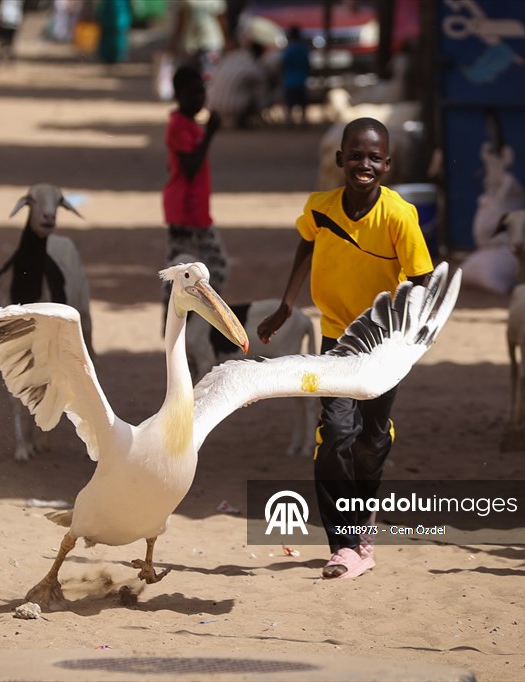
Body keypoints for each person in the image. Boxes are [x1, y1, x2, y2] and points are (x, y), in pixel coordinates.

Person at [256, 117, 433, 580]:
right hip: (336, 338)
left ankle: (365, 517)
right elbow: (305, 246)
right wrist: (286, 307)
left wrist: (408, 334)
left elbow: (422, 280)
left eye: (375, 157)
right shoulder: (321, 208)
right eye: (355, 155)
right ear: (339, 160)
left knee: (370, 442)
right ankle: (346, 545)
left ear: (388, 164)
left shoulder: (398, 216)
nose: (364, 164)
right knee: (335, 432)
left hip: (384, 344)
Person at [161, 64, 228, 317]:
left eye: (202, 93)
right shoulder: (179, 125)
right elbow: (189, 167)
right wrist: (210, 134)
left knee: (185, 270)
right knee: (206, 268)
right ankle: (186, 317)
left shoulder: (188, 124)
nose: (199, 99)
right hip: (186, 212)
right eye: (193, 94)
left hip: (194, 209)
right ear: (178, 95)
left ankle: (189, 316)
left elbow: (174, 165)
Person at [206, 41, 270, 129]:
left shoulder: (229, 59)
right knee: (255, 88)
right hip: (234, 106)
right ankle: (245, 121)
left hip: (212, 103)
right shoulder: (251, 63)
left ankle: (228, 120)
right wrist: (262, 108)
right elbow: (262, 81)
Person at [168, 0, 229, 80]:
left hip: (211, 43)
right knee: (193, 78)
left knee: (210, 77)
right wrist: (175, 41)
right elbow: (181, 20)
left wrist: (227, 39)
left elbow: (221, 19)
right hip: (191, 46)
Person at [279, 25, 311, 127]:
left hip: (290, 80)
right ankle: (303, 120)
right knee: (302, 103)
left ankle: (289, 121)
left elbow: (283, 63)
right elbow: (308, 64)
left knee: (290, 104)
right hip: (301, 80)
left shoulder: (289, 49)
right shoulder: (303, 49)